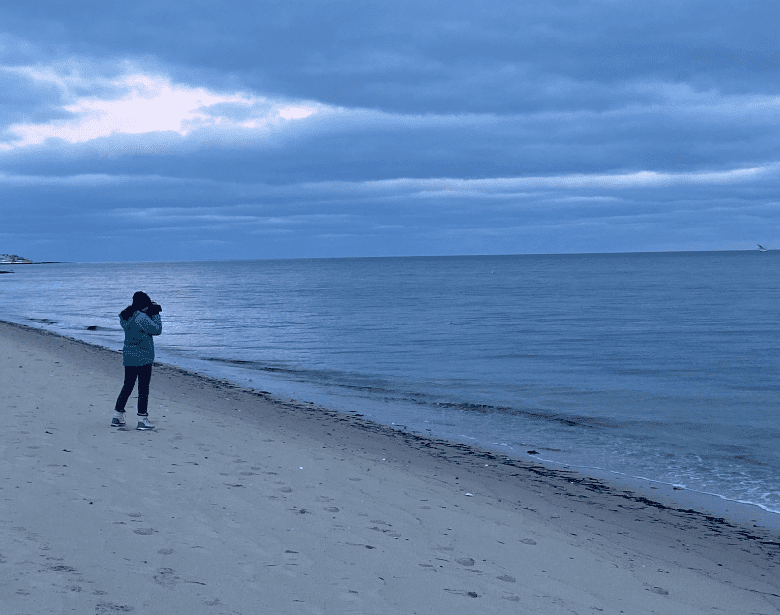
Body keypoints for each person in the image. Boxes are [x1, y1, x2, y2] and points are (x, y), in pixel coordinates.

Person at [112, 291, 163, 430]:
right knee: (143, 388)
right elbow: (157, 330)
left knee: (127, 386)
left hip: (129, 356)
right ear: (144, 305)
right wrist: (156, 313)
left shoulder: (126, 316)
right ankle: (142, 419)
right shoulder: (141, 317)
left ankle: (117, 416)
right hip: (143, 356)